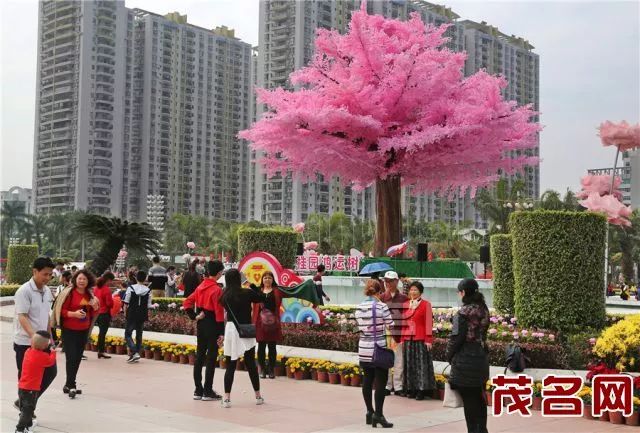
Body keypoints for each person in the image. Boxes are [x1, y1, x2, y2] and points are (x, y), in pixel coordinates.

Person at [13, 257, 58, 417]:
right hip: (25, 342)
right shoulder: (24, 291)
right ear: (35, 271)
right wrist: (34, 337)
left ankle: (25, 403)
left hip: (43, 343)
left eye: (50, 275)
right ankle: (26, 412)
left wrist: (50, 339)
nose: (47, 278)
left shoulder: (46, 291)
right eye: (44, 274)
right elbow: (22, 316)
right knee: (26, 378)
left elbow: (46, 316)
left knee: (51, 372)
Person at [446, 278, 490, 433]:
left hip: (465, 361)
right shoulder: (483, 309)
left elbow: (456, 338)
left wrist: (448, 356)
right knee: (479, 398)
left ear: (463, 292)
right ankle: (482, 430)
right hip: (481, 359)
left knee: (470, 400)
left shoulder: (462, 313)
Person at [220, 268, 266, 408]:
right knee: (251, 363)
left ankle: (227, 398)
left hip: (231, 330)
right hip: (246, 330)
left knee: (230, 365)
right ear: (239, 279)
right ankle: (258, 396)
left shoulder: (224, 296)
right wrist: (251, 284)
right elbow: (262, 297)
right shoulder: (247, 293)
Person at [52, 269, 99, 399]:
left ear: (88, 281)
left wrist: (95, 307)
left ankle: (68, 384)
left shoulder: (90, 295)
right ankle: (72, 385)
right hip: (69, 330)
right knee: (71, 357)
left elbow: (94, 313)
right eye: (79, 278)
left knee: (77, 358)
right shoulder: (69, 293)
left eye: (84, 279)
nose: (82, 281)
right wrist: (74, 314)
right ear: (75, 280)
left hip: (83, 330)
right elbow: (60, 311)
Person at [183, 260, 225, 401]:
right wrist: (221, 333)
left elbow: (186, 302)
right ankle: (208, 391)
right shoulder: (217, 290)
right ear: (219, 273)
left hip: (201, 324)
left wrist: (194, 316)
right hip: (213, 325)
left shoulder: (200, 287)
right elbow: (219, 314)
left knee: (199, 357)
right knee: (211, 358)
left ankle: (198, 390)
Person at [355, 279, 394, 428]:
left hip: (364, 347)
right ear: (379, 291)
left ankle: (369, 412)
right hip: (378, 348)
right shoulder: (381, 306)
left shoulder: (359, 307)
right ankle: (379, 414)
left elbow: (361, 326)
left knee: (367, 379)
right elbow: (391, 325)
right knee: (380, 382)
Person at [15, 330, 56, 433]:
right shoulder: (43, 357)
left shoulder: (27, 352)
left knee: (24, 408)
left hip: (22, 386)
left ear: (32, 343)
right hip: (32, 389)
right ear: (44, 346)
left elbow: (37, 346)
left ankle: (28, 426)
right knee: (28, 410)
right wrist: (53, 352)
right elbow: (50, 362)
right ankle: (19, 429)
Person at [401, 281, 435, 400]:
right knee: (409, 365)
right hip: (408, 338)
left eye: (415, 290)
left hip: (421, 339)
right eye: (411, 290)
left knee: (420, 365)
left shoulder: (426, 304)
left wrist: (428, 339)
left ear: (420, 291)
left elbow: (429, 323)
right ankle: (411, 389)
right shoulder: (406, 304)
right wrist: (401, 338)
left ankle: (422, 390)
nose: (413, 292)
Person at [379, 271, 408, 396]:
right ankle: (387, 385)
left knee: (398, 360)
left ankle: (398, 386)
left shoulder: (403, 298)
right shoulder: (381, 298)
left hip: (398, 334)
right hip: (385, 334)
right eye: (386, 281)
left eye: (390, 281)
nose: (388, 283)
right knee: (385, 360)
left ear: (397, 281)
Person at [252, 271, 285, 379]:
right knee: (261, 347)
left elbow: (291, 292)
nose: (267, 280)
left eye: (269, 278)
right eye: (265, 278)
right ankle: (262, 369)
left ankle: (271, 369)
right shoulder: (257, 291)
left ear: (272, 280)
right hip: (260, 323)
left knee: (272, 346)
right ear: (262, 280)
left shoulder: (277, 291)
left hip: (273, 323)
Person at [123, 270, 152, 363]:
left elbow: (126, 302)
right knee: (139, 334)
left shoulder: (131, 288)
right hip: (142, 313)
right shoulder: (148, 290)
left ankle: (135, 353)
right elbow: (149, 305)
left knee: (128, 334)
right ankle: (136, 354)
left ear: (136, 278)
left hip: (132, 312)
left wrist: (124, 312)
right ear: (145, 279)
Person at [93, 272, 115, 359]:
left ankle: (100, 351)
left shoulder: (96, 288)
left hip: (97, 313)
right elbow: (109, 303)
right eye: (111, 281)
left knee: (100, 333)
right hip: (104, 313)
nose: (111, 282)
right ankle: (101, 351)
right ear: (108, 280)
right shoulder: (106, 289)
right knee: (102, 333)